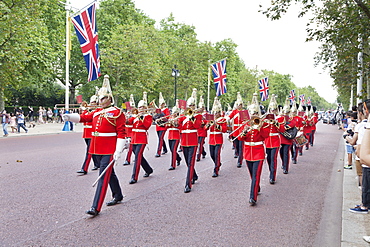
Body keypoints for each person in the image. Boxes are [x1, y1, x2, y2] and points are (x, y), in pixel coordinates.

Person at [63, 75, 129, 216]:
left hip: (109, 148)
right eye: (100, 98)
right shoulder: (97, 112)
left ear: (110, 98)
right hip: (96, 147)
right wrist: (69, 117)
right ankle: (118, 195)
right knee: (108, 173)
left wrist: (118, 150)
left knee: (103, 175)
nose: (101, 100)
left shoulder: (117, 112)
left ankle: (95, 207)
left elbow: (122, 133)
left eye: (104, 98)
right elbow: (83, 118)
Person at [239, 93, 269, 206]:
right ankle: (257, 187)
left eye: (255, 113)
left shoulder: (263, 124)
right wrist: (245, 131)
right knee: (252, 174)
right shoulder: (245, 124)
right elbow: (241, 137)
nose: (253, 115)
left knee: (256, 175)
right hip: (248, 152)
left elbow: (265, 136)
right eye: (252, 113)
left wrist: (260, 126)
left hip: (258, 152)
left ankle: (253, 197)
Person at [178, 88, 202, 193]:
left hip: (192, 141)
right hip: (184, 141)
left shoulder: (198, 116)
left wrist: (192, 117)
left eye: (192, 105)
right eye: (189, 105)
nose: (190, 107)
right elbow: (179, 126)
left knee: (191, 163)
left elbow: (197, 126)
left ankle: (188, 184)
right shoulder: (183, 116)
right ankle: (194, 175)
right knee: (188, 162)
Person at [128, 93, 154, 184]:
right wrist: (129, 116)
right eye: (140, 108)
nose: (141, 109)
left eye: (142, 107)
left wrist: (142, 117)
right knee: (139, 156)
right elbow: (128, 123)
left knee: (137, 157)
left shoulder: (148, 116)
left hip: (142, 138)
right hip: (134, 138)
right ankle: (148, 169)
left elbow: (147, 126)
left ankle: (134, 177)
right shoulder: (135, 116)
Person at [264, 95, 285, 184]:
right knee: (269, 158)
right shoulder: (266, 118)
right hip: (268, 140)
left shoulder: (280, 118)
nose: (273, 111)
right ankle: (271, 171)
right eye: (271, 109)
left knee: (273, 158)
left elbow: (282, 130)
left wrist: (276, 123)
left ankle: (272, 176)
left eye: (274, 109)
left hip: (276, 141)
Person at [76, 97, 99, 175]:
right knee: (92, 151)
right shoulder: (88, 111)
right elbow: (83, 118)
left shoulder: (97, 112)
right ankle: (97, 164)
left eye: (94, 102)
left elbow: (89, 118)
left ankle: (84, 168)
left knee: (89, 151)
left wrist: (86, 110)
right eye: (91, 102)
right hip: (86, 133)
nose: (92, 104)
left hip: (92, 134)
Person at [205, 97, 227, 177]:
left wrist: (216, 124)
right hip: (211, 140)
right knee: (212, 155)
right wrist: (207, 124)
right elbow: (205, 128)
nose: (215, 114)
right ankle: (218, 163)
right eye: (214, 112)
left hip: (218, 140)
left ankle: (216, 170)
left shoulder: (222, 119)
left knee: (217, 154)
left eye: (217, 113)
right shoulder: (210, 119)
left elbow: (224, 130)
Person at [277, 98, 297, 174]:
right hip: (281, 139)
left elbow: (292, 124)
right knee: (281, 152)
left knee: (286, 153)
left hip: (288, 139)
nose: (286, 113)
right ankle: (283, 163)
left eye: (287, 112)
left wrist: (283, 127)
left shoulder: (292, 119)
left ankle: (286, 168)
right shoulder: (280, 118)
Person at [226, 92, 245, 168]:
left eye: (240, 105)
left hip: (241, 131)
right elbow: (229, 117)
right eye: (238, 105)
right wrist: (226, 119)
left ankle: (239, 161)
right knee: (236, 145)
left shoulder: (244, 112)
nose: (239, 106)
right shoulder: (234, 112)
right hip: (235, 131)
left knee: (241, 147)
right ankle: (237, 153)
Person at [166, 101, 182, 170]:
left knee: (173, 150)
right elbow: (167, 126)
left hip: (176, 136)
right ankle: (178, 158)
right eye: (173, 112)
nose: (173, 114)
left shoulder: (179, 118)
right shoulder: (170, 118)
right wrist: (168, 123)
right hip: (170, 136)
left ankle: (173, 165)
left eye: (175, 112)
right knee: (172, 150)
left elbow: (179, 126)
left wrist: (175, 122)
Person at [153, 92, 169, 157]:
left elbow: (167, 117)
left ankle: (158, 152)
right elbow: (154, 117)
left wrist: (161, 117)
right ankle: (165, 149)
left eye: (162, 104)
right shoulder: (157, 110)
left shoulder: (166, 109)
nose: (161, 105)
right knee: (160, 138)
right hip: (158, 126)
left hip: (163, 126)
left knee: (160, 138)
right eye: (160, 104)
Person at [196, 96, 207, 161]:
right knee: (198, 143)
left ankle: (198, 156)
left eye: (201, 107)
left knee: (200, 143)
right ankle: (203, 152)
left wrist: (203, 120)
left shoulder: (206, 114)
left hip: (203, 130)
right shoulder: (197, 113)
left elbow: (208, 122)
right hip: (197, 130)